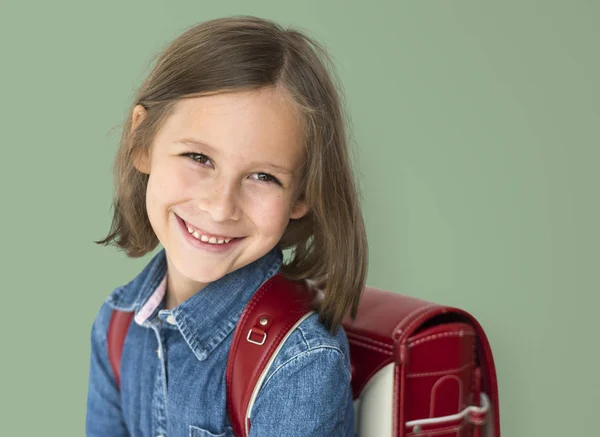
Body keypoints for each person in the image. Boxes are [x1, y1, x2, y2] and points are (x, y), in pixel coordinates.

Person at [86, 15, 368, 437]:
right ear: (141, 144)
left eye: (263, 177)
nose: (220, 208)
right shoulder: (117, 322)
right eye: (199, 158)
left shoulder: (300, 364)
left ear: (303, 195)